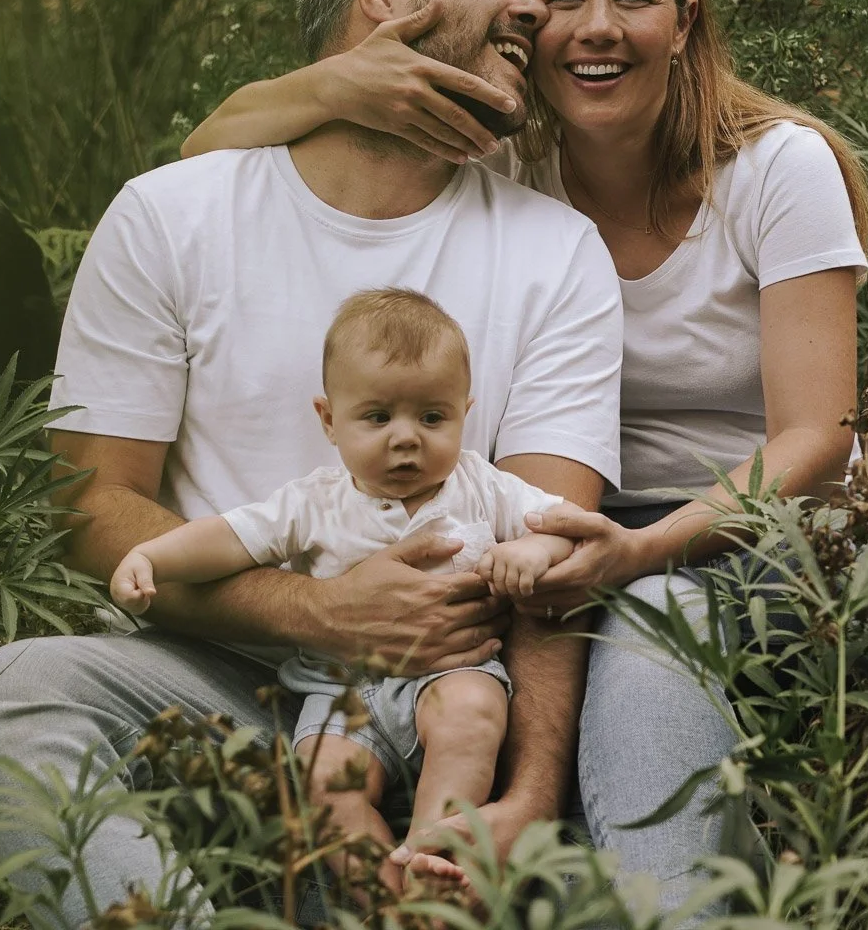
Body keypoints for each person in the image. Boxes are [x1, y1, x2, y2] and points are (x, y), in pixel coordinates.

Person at [180, 0, 868, 919]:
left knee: (653, 618)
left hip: (760, 532)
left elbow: (818, 435)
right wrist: (334, 87)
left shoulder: (776, 168)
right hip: (561, 529)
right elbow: (204, 152)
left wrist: (641, 550)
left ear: (684, 23)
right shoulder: (507, 166)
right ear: (524, 24)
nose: (593, 29)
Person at [0, 0, 624, 930]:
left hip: (454, 697)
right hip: (216, 679)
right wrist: (316, 611)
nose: (531, 10)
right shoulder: (173, 215)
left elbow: (551, 547)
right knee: (12, 692)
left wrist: (524, 792)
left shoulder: (551, 248)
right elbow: (90, 507)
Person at [109, 288, 585, 882]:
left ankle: (430, 856)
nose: (406, 437)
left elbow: (565, 524)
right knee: (323, 783)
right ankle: (383, 897)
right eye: (378, 417)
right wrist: (154, 556)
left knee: (472, 714)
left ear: (466, 411)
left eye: (432, 417)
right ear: (330, 420)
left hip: (452, 673)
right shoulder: (315, 503)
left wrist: (532, 549)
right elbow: (230, 538)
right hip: (340, 693)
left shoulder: (482, 486)